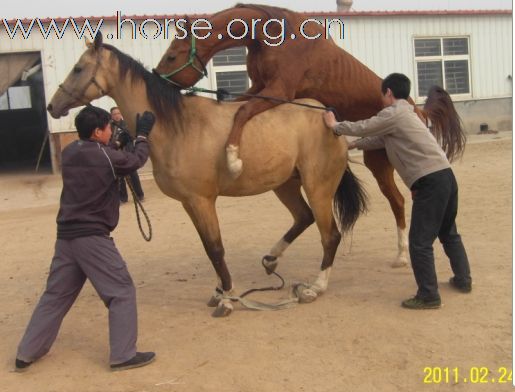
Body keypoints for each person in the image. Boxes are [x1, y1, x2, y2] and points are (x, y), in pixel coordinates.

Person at [15, 106, 156, 371]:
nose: (111, 131)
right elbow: (135, 161)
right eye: (108, 128)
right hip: (92, 238)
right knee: (121, 292)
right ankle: (123, 355)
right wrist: (143, 135)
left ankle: (27, 352)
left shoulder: (69, 152)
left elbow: (101, 156)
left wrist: (116, 144)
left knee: (55, 296)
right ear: (97, 131)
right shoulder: (107, 157)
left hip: (66, 237)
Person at [322, 73, 472, 310]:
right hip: (445, 177)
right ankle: (463, 280)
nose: (382, 99)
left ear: (389, 93)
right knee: (448, 232)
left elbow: (366, 126)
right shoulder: (406, 115)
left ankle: (428, 296)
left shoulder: (393, 113)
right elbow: (380, 139)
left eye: (382, 94)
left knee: (419, 242)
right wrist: (352, 144)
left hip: (430, 181)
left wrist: (335, 126)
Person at [110, 107, 145, 203]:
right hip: (115, 154)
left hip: (127, 152)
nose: (116, 115)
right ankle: (123, 198)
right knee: (120, 177)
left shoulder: (126, 125)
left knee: (133, 174)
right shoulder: (110, 126)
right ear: (111, 116)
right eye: (114, 114)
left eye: (118, 113)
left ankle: (139, 195)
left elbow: (131, 136)